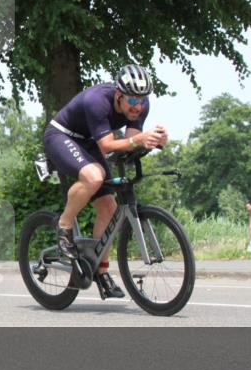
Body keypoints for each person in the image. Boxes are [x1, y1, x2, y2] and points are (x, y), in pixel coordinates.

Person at [44, 64, 167, 299]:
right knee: (94, 175)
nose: (138, 107)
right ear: (119, 95)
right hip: (61, 136)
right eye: (132, 101)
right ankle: (64, 226)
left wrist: (156, 142)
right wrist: (140, 139)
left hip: (90, 141)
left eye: (142, 101)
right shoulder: (96, 101)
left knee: (109, 207)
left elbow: (130, 144)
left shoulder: (140, 106)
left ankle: (100, 271)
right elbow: (109, 146)